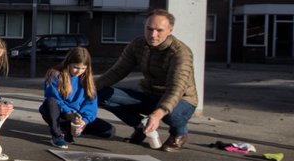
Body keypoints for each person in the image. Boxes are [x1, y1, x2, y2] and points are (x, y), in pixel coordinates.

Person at [95, 8, 198, 151]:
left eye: (159, 30)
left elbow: (176, 88)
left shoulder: (181, 53)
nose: (153, 35)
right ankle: (141, 127)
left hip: (182, 100)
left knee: (170, 114)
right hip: (150, 95)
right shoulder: (138, 44)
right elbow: (117, 71)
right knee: (99, 94)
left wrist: (157, 114)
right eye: (149, 29)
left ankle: (179, 134)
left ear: (170, 30)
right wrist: (89, 87)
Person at [39, 47, 114, 148]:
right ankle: (57, 135)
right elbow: (53, 97)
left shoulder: (88, 80)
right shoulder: (55, 74)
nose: (79, 71)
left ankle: (68, 130)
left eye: (83, 68)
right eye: (76, 67)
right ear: (68, 63)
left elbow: (91, 104)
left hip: (78, 116)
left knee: (109, 131)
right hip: (61, 113)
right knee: (50, 102)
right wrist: (70, 114)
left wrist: (84, 121)